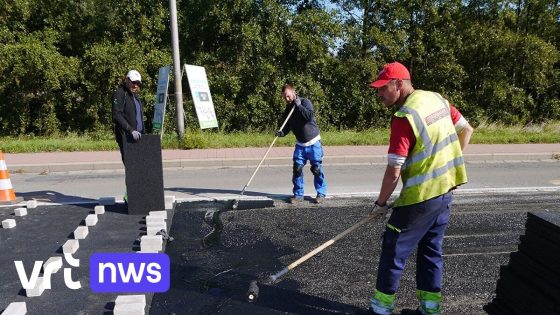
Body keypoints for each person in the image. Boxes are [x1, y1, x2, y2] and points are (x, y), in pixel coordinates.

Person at [367, 62, 474, 315]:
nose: (379, 94)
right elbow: (467, 130)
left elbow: (394, 170)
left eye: (383, 88)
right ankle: (430, 308)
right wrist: (449, 165)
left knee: (394, 250)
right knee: (431, 251)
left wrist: (380, 204)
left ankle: (380, 309)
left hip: (419, 200)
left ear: (399, 84)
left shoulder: (405, 117)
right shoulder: (437, 100)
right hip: (444, 195)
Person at [276, 84, 327, 204]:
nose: (287, 99)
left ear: (293, 92)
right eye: (285, 98)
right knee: (297, 169)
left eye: (288, 96)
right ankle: (298, 195)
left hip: (313, 142)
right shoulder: (288, 109)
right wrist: (281, 133)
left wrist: (299, 106)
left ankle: (321, 193)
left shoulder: (305, 102)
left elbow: (309, 116)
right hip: (300, 144)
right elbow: (287, 127)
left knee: (316, 169)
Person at [112, 70, 145, 163]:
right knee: (131, 168)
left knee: (140, 168)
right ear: (126, 80)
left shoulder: (135, 96)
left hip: (139, 137)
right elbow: (116, 115)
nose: (135, 85)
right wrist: (131, 130)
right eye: (133, 82)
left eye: (138, 83)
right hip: (127, 138)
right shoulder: (120, 93)